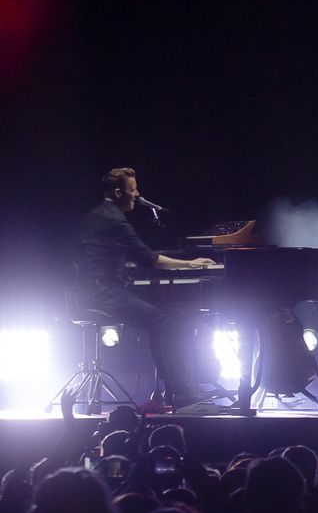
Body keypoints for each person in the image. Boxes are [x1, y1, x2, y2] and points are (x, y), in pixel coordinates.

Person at [74, 168, 216, 410]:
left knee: (161, 319)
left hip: (90, 290)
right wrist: (191, 263)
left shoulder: (96, 215)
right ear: (119, 193)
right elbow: (150, 259)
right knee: (165, 323)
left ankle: (172, 391)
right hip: (104, 293)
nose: (137, 195)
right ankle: (180, 393)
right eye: (133, 190)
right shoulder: (115, 220)